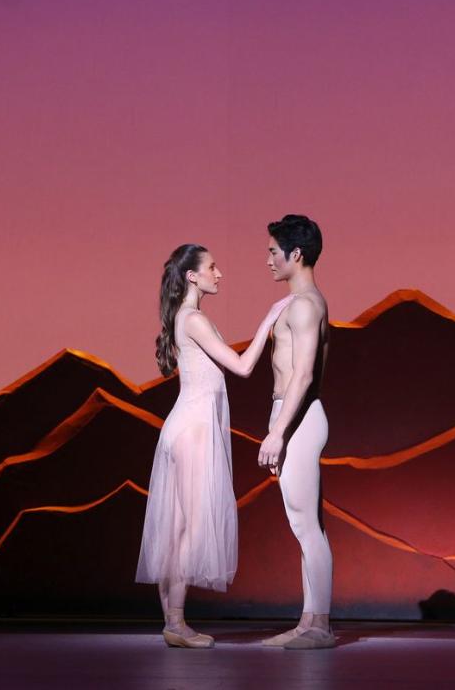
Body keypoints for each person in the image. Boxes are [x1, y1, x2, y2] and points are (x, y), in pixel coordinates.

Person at [136, 243, 292, 648]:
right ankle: (176, 623)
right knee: (186, 528)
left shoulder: (187, 317)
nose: (219, 273)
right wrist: (269, 321)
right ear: (192, 276)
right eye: (212, 267)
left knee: (180, 526)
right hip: (193, 430)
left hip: (186, 426)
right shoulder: (193, 319)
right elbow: (241, 367)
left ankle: (174, 622)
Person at [257, 215, 335, 650]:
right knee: (303, 522)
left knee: (306, 525)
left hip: (299, 418)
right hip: (292, 417)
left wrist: (278, 433)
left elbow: (302, 376)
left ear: (295, 254)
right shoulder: (300, 303)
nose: (268, 259)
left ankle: (320, 626)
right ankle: (308, 621)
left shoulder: (305, 305)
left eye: (273, 251)